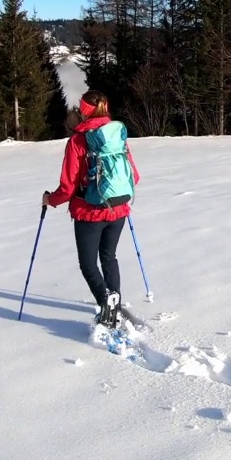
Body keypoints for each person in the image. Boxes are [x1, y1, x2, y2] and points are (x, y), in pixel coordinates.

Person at [43, 89, 140, 329]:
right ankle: (114, 302)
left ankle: (106, 303)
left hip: (89, 213)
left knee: (88, 264)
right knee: (109, 257)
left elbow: (67, 187)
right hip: (118, 209)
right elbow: (134, 177)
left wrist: (50, 200)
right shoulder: (117, 135)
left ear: (85, 111)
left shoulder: (78, 140)